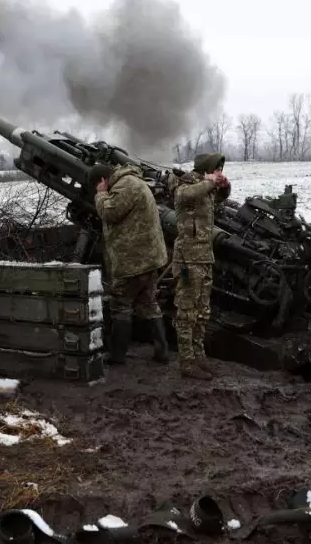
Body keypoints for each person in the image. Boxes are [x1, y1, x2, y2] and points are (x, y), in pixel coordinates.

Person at [92, 162, 170, 365]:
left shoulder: (125, 185)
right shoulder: (132, 181)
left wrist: (100, 194)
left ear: (102, 180)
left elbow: (110, 213)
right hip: (147, 258)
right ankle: (162, 351)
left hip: (134, 260)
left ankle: (117, 355)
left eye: (98, 184)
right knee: (148, 303)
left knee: (121, 304)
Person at [167, 153, 231, 381]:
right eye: (217, 169)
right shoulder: (184, 184)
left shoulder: (206, 187)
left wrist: (224, 185)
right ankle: (187, 362)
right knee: (186, 312)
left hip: (204, 258)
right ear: (206, 169)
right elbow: (184, 195)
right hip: (187, 261)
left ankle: (199, 357)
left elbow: (220, 197)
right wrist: (210, 182)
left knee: (203, 313)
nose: (219, 172)